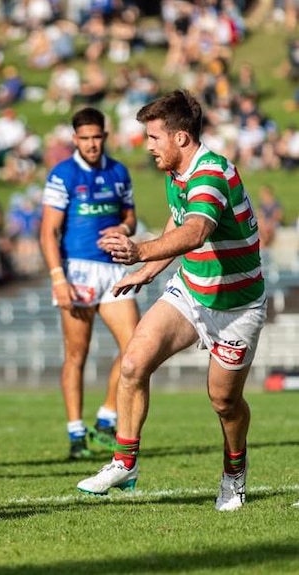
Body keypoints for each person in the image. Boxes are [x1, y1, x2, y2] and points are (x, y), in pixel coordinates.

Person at [77, 90, 266, 512]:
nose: (148, 146)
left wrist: (142, 251)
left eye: (153, 137)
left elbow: (197, 229)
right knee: (133, 363)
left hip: (237, 306)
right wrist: (150, 270)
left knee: (224, 401)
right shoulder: (176, 173)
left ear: (181, 137)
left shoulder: (212, 174)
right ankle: (124, 462)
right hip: (192, 290)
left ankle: (234, 473)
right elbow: (178, 219)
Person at [39, 107, 140, 460]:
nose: (92, 144)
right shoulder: (63, 174)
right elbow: (48, 231)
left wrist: (125, 229)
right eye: (85, 138)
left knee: (137, 347)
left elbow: (130, 215)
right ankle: (76, 434)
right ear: (75, 139)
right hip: (77, 271)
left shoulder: (118, 171)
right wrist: (57, 278)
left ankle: (106, 419)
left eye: (97, 137)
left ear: (105, 136)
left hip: (113, 271)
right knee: (76, 355)